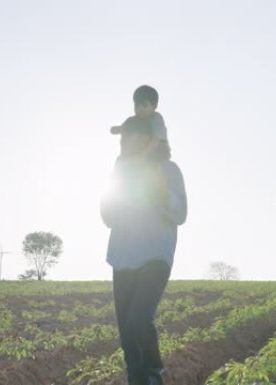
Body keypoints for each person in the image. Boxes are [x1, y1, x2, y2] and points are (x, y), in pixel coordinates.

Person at [100, 115, 187, 385]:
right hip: (123, 257)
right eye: (121, 137)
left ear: (146, 139)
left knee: (138, 320)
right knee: (127, 332)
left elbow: (180, 212)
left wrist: (154, 183)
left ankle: (154, 376)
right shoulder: (121, 171)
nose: (123, 142)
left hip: (155, 257)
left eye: (127, 136)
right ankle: (137, 379)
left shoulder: (168, 169)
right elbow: (108, 217)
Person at [111, 85, 169, 157]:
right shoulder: (133, 120)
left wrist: (143, 154)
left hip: (157, 152)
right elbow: (123, 128)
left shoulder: (156, 118)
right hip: (136, 154)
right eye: (137, 106)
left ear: (154, 106)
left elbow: (156, 139)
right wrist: (117, 129)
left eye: (144, 105)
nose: (140, 108)